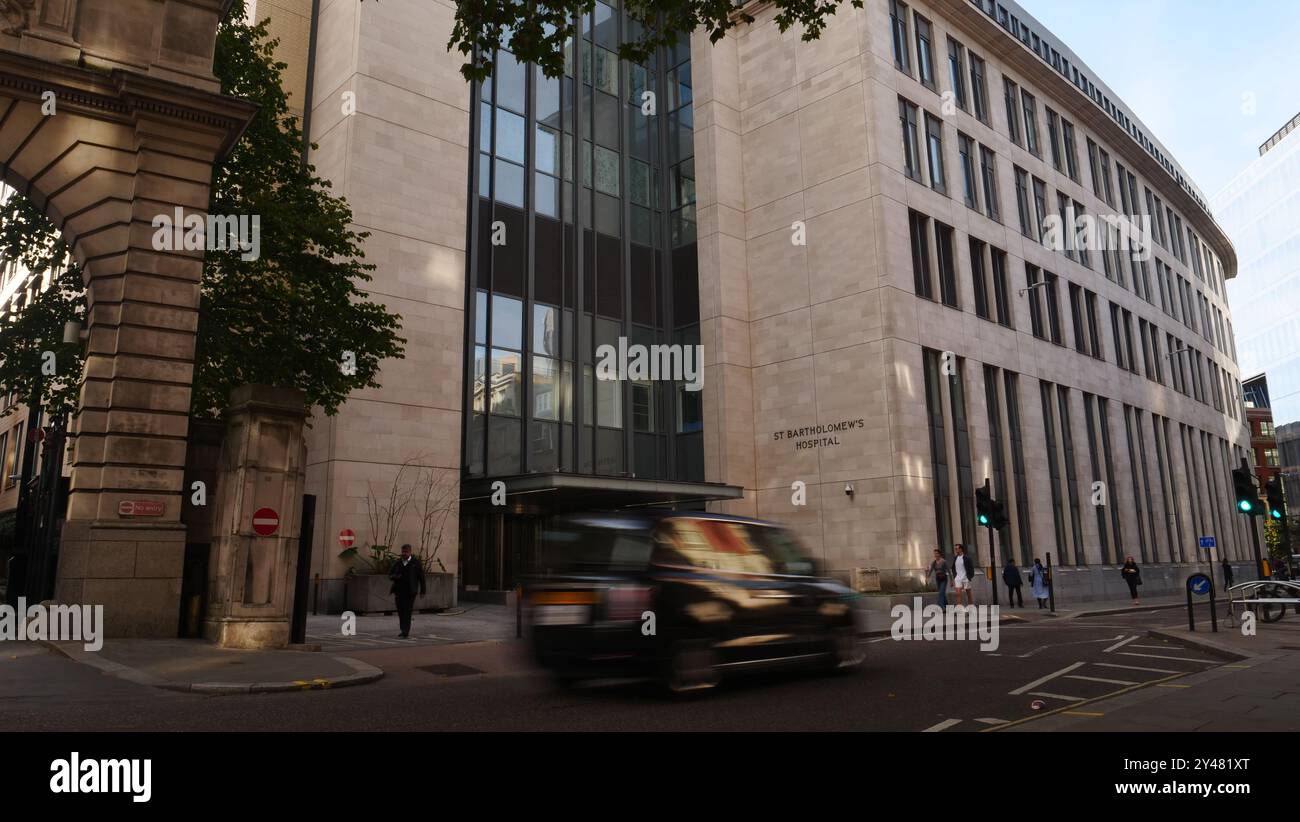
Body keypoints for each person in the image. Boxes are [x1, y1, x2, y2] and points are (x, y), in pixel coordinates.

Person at [389, 543, 426, 638]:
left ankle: (406, 631)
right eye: (403, 552)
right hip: (399, 591)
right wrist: (396, 576)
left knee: (407, 611)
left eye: (406, 552)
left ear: (410, 552)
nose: (404, 554)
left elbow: (421, 577)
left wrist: (423, 591)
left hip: (410, 592)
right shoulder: (398, 563)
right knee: (400, 611)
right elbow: (390, 574)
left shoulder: (415, 563)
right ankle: (402, 629)